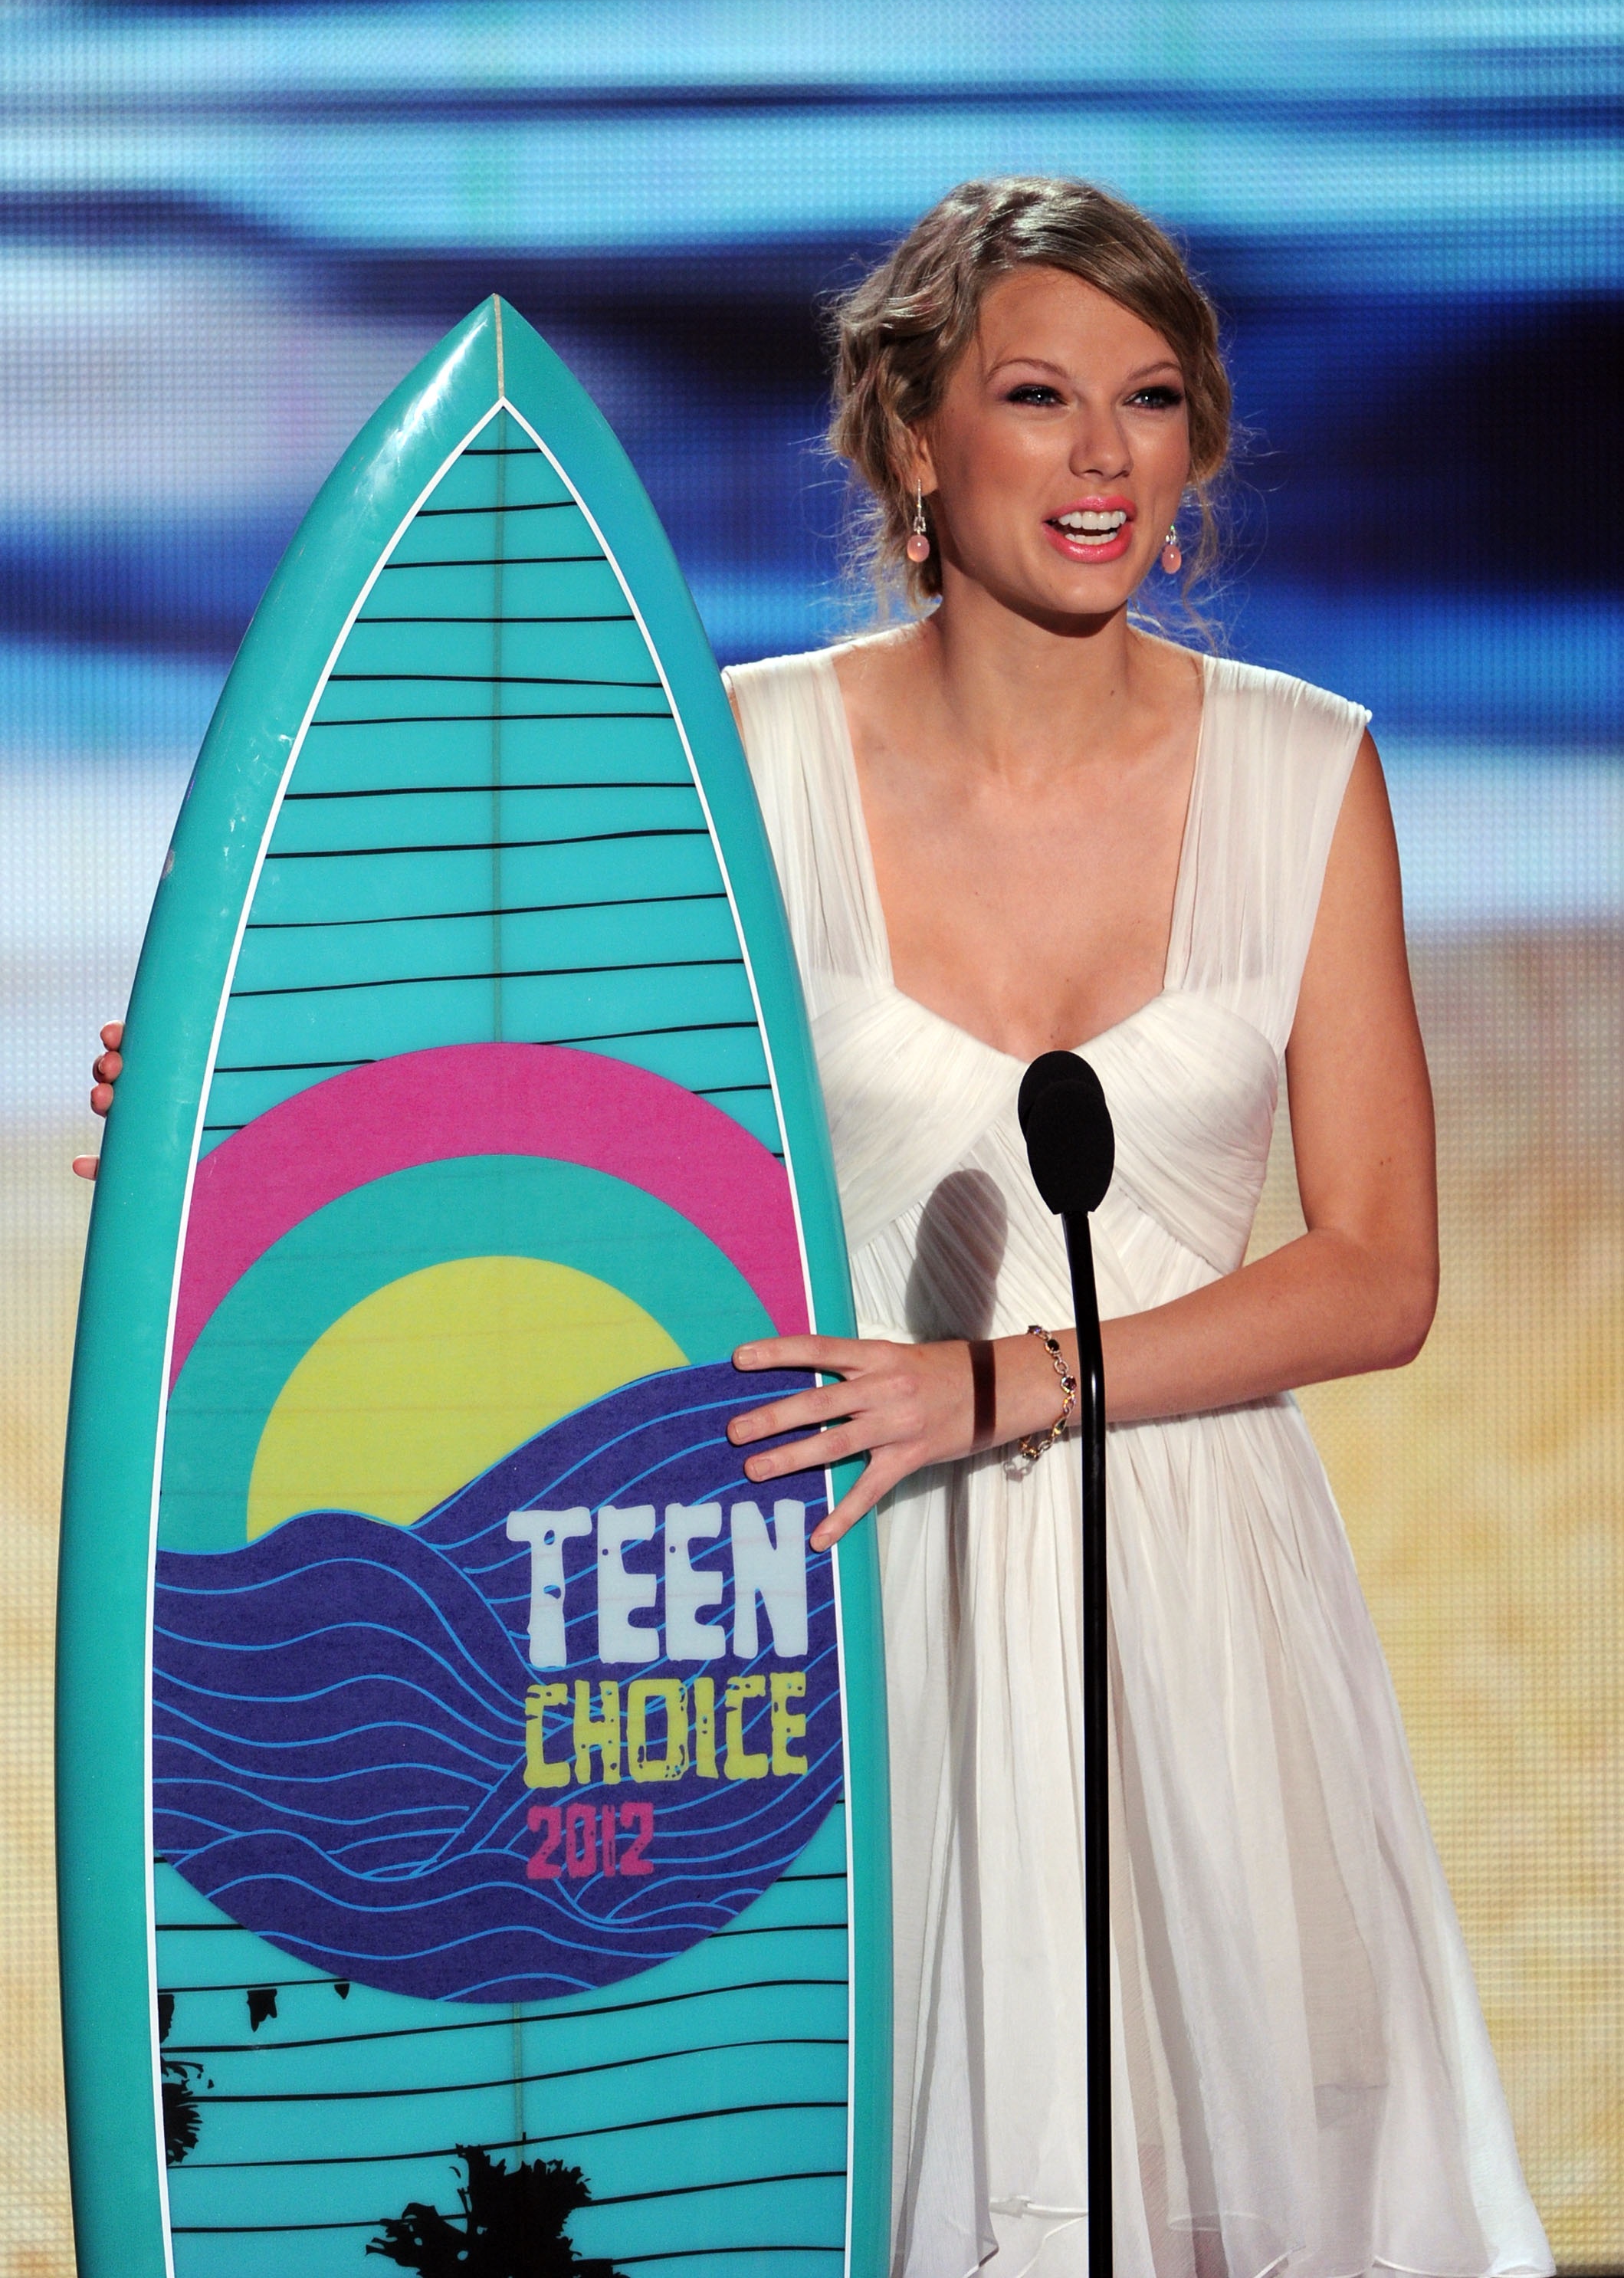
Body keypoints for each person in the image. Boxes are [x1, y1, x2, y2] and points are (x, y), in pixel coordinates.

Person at [84, 176, 1552, 2278]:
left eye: (1151, 399)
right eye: (1038, 395)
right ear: (913, 438)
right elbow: (519, 1069)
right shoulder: (738, 768)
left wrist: (998, 1386)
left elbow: (1380, 1271)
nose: (1104, 454)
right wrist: (240, 1104)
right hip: (832, 1586)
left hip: (1193, 1597)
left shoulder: (1310, 775)